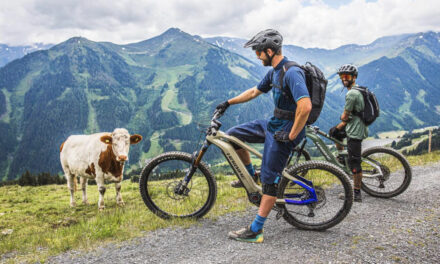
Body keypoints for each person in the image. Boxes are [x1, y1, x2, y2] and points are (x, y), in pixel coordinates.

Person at [215, 29, 312, 243]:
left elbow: (305, 107)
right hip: (273, 123)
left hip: (286, 129)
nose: (257, 56)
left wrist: (292, 134)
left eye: (258, 52)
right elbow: (253, 92)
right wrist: (228, 103)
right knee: (232, 136)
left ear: (269, 51)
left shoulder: (291, 72)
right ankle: (251, 177)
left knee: (270, 184)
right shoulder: (274, 71)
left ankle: (256, 230)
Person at [329, 64, 368, 202]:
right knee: (334, 133)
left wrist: (341, 120)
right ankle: (341, 156)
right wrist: (339, 126)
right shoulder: (358, 90)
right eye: (341, 76)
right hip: (355, 125)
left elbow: (345, 116)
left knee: (355, 164)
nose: (344, 79)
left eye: (347, 76)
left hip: (355, 131)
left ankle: (356, 194)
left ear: (354, 77)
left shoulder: (352, 93)